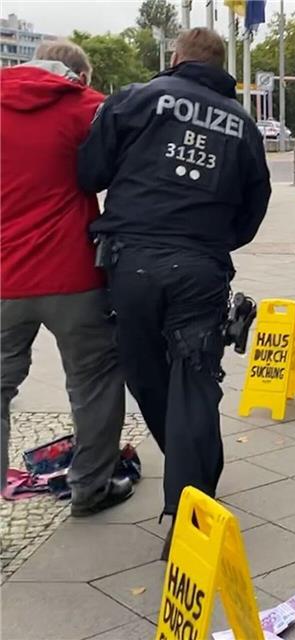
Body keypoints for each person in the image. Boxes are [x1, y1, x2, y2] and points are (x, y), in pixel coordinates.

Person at [77, 28, 271, 549]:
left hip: (131, 262)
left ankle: (191, 495)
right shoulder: (244, 125)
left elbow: (89, 171)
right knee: (195, 383)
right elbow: (255, 207)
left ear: (174, 57)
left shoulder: (135, 100)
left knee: (146, 376)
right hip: (200, 268)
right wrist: (211, 240)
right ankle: (194, 491)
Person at [0, 40, 134, 515]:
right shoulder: (87, 107)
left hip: (2, 277)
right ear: (79, 74)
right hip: (72, 272)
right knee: (94, 381)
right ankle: (90, 488)